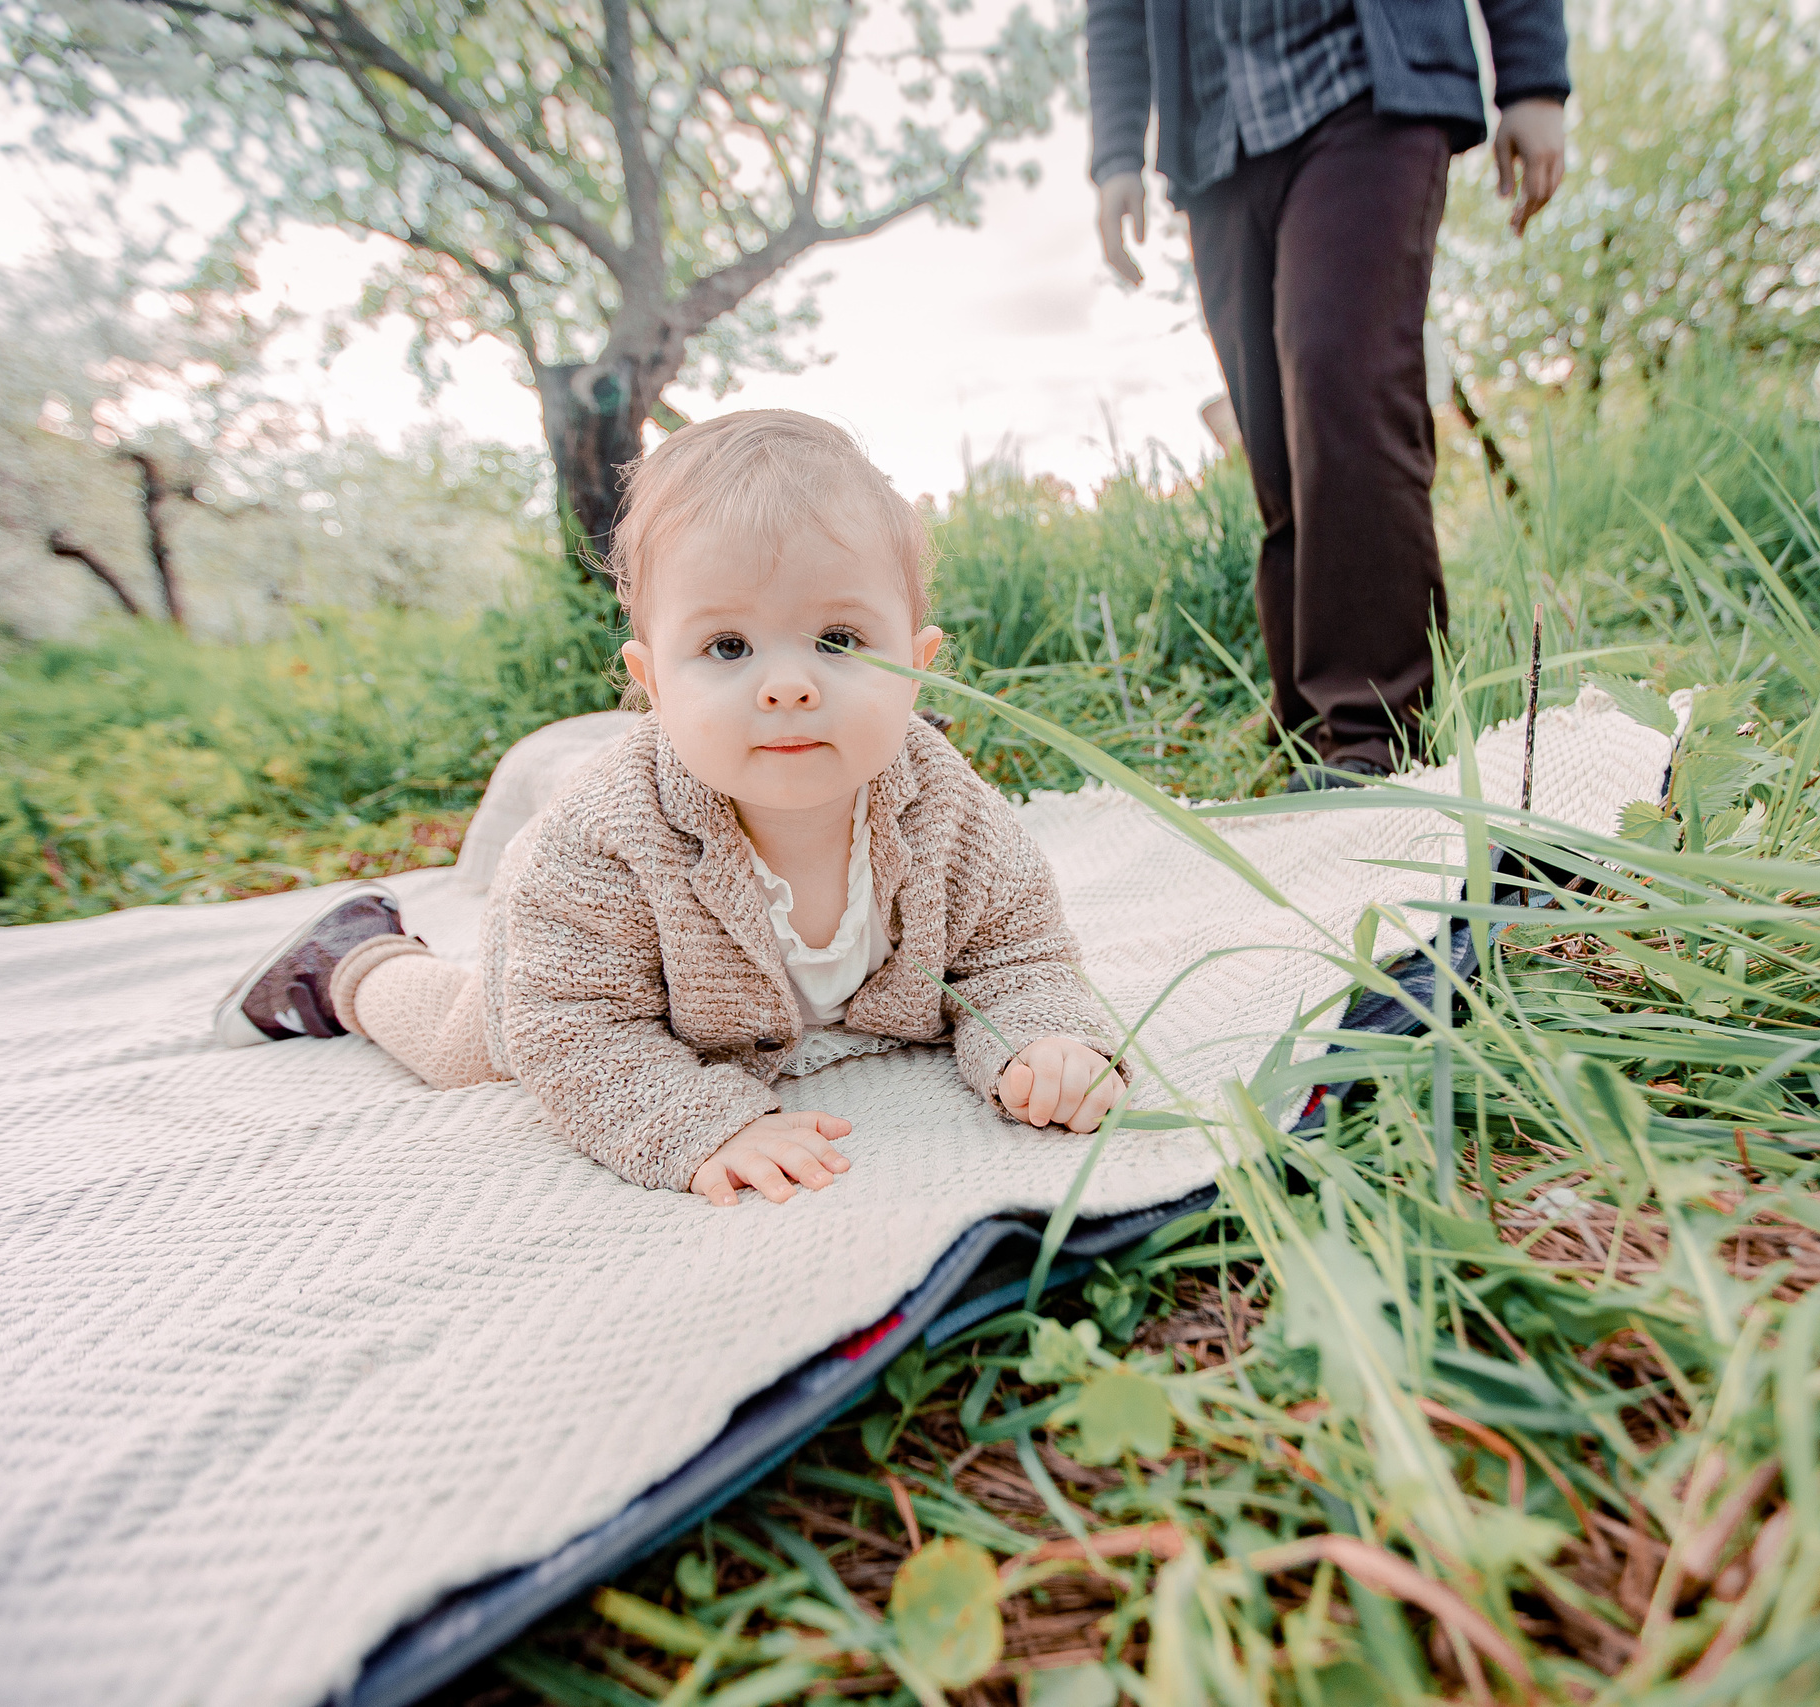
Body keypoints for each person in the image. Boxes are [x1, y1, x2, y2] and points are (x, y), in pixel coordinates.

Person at [210, 411, 1128, 1205]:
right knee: (470, 1049)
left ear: (918, 664)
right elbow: (568, 1029)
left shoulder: (945, 806)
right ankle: (352, 960)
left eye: (839, 639)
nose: (788, 685)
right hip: (559, 966)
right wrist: (697, 1124)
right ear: (652, 684)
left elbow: (1012, 950)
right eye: (728, 646)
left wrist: (1040, 1040)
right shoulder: (605, 837)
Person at [1089, 0, 1570, 788]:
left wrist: (1533, 78)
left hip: (1364, 85)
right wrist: (1115, 153)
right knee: (1271, 435)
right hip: (1217, 136)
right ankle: (1309, 728)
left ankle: (1377, 732)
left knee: (1339, 383)